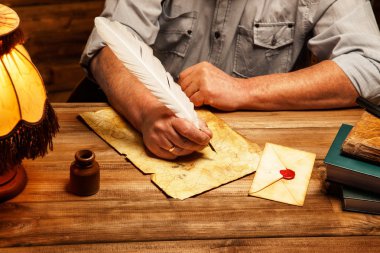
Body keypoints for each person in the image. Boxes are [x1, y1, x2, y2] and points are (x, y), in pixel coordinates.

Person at [81, 0, 380, 159]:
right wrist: (147, 111)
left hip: (262, 151)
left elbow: (371, 64)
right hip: (146, 133)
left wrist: (242, 90)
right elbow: (109, 47)